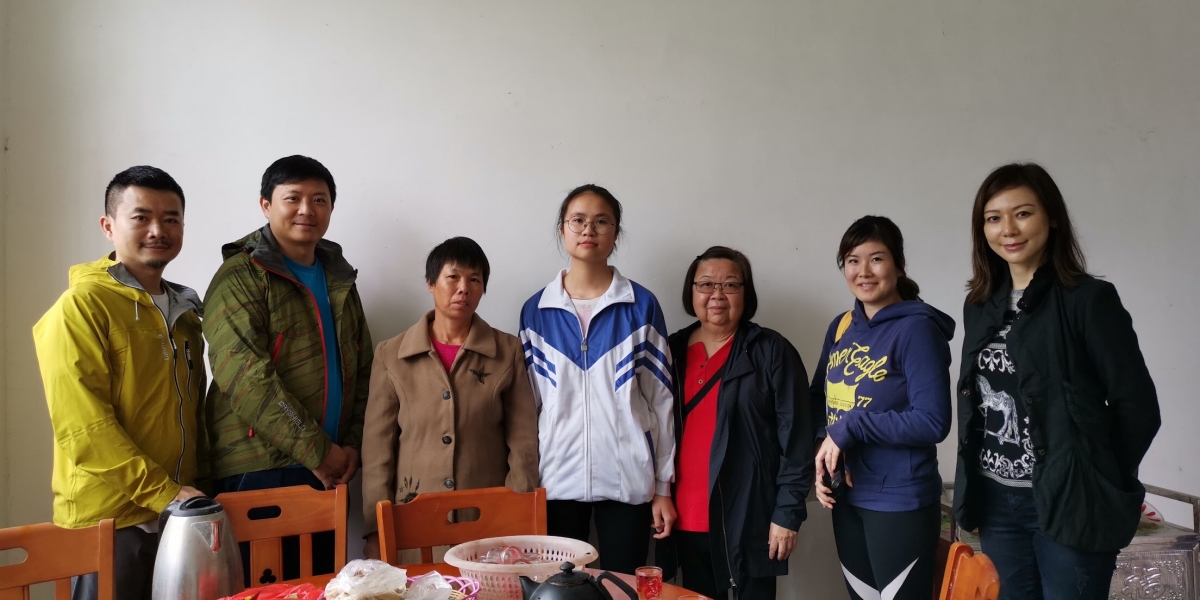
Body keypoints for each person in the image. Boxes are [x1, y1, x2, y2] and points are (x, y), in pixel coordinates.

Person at [952, 163, 1160, 599]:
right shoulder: (980, 305)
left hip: (1071, 503)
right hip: (996, 503)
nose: (1008, 229)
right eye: (993, 218)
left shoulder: (1088, 300)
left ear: (1053, 219)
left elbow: (1137, 406)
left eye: (1023, 213)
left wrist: (1099, 480)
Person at [33, 166, 207, 600]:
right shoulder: (81, 307)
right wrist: (165, 493)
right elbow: (83, 428)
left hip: (177, 514)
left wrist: (190, 494)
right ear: (108, 226)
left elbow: (195, 414)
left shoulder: (187, 314)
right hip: (111, 521)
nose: (158, 230)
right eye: (141, 217)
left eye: (171, 218)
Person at [203, 155, 373, 583]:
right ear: (266, 205)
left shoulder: (339, 279)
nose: (306, 210)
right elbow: (245, 378)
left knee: (321, 587)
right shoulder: (240, 276)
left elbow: (363, 370)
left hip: (330, 466)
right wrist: (318, 451)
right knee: (263, 591)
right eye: (292, 198)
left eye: (319, 200)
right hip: (261, 465)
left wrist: (351, 444)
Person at [518, 184, 676, 574]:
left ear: (615, 232)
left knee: (622, 588)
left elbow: (662, 402)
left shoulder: (641, 306)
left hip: (628, 480)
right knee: (558, 592)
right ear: (563, 229)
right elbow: (526, 408)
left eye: (601, 221)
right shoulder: (536, 311)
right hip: (554, 482)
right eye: (578, 220)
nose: (589, 229)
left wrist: (663, 487)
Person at [361, 237, 540, 560]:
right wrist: (377, 528)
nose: (463, 289)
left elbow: (523, 441)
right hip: (413, 520)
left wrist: (518, 514)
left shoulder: (507, 351)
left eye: (475, 280)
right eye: (453, 277)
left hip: (488, 521)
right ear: (431, 283)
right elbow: (377, 449)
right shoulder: (391, 355)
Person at [811, 215, 954, 600]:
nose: (864, 271)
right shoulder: (842, 326)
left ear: (899, 264)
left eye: (876, 259)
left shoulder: (917, 329)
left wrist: (852, 427)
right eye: (852, 261)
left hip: (899, 501)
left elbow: (933, 421)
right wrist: (824, 451)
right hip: (847, 497)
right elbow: (818, 400)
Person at [657, 246, 812, 600]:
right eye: (706, 284)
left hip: (750, 519)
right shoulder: (671, 351)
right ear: (691, 292)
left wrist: (787, 515)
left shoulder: (770, 351)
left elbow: (798, 442)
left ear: (746, 293)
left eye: (730, 285)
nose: (717, 295)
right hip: (681, 518)